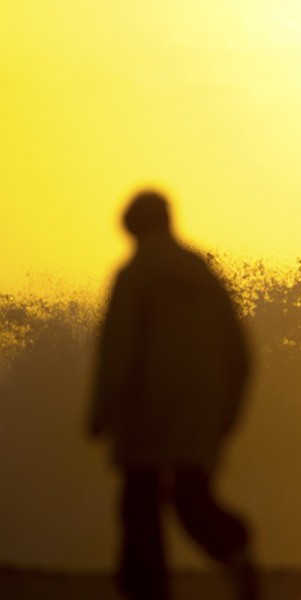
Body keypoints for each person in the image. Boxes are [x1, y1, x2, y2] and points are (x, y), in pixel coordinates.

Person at [88, 189, 257, 600]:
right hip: (201, 412)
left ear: (132, 226)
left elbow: (119, 350)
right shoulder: (203, 273)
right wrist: (227, 412)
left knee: (139, 503)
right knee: (191, 498)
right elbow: (240, 353)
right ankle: (235, 547)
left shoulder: (135, 273)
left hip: (147, 412)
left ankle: (148, 591)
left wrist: (101, 411)